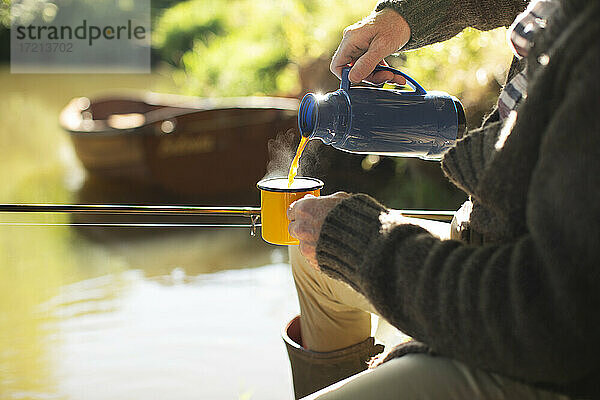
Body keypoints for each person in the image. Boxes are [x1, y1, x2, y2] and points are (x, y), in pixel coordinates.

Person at [283, 0, 600, 399]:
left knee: (335, 245)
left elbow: (545, 314)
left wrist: (364, 241)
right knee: (311, 258)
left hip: (537, 347)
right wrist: (404, 18)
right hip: (485, 236)